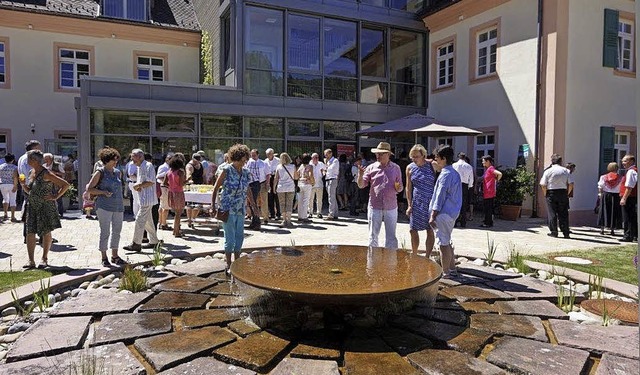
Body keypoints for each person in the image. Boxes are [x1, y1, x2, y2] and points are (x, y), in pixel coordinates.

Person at [21, 150, 70, 269]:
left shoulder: (46, 173)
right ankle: (31, 261)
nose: (27, 161)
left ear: (34, 160)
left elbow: (65, 185)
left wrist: (55, 196)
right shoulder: (31, 172)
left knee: (46, 231)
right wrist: (23, 185)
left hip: (45, 206)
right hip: (32, 206)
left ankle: (44, 258)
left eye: (29, 158)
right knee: (30, 232)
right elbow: (30, 191)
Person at [211, 144, 254, 274]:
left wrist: (253, 206)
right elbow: (216, 188)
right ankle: (229, 265)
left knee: (239, 236)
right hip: (227, 208)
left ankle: (237, 263)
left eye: (245, 158)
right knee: (230, 238)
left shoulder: (246, 172)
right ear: (238, 157)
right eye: (244, 158)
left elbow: (248, 190)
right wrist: (213, 205)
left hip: (240, 208)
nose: (245, 161)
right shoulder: (226, 170)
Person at [356, 142, 403, 249]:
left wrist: (398, 187)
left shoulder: (396, 168)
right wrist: (360, 175)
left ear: (388, 154)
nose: (378, 156)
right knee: (373, 236)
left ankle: (390, 262)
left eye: (381, 154)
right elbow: (361, 185)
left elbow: (400, 187)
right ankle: (372, 263)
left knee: (391, 237)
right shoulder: (371, 167)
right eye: (377, 153)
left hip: (391, 205)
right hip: (375, 205)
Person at [86, 147, 127, 267]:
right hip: (104, 206)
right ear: (106, 160)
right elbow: (89, 188)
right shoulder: (100, 172)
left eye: (116, 159)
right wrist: (103, 192)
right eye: (113, 160)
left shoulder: (117, 172)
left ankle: (115, 255)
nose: (115, 162)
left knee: (117, 231)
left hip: (118, 206)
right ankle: (104, 257)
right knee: (105, 231)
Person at [429, 145, 462, 277]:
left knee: (443, 242)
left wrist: (433, 214)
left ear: (443, 159)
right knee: (447, 240)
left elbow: (440, 196)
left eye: (436, 158)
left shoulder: (445, 175)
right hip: (452, 212)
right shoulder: (453, 173)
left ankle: (445, 271)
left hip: (443, 213)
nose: (435, 160)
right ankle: (452, 268)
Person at [123, 149, 159, 252]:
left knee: (139, 220)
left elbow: (151, 181)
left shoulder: (148, 166)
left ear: (139, 157)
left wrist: (138, 185)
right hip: (143, 198)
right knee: (148, 221)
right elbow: (142, 182)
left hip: (147, 199)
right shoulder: (139, 167)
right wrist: (139, 186)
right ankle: (154, 241)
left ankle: (136, 243)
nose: (131, 160)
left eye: (133, 157)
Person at [405, 145, 436, 255]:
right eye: (412, 157)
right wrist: (409, 204)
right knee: (413, 229)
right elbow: (408, 188)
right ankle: (414, 253)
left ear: (423, 155)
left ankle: (427, 256)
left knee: (430, 229)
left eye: (416, 156)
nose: (414, 159)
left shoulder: (431, 165)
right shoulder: (410, 167)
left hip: (430, 200)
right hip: (417, 201)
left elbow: (443, 169)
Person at [539, 153, 571, 238]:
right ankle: (566, 232)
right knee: (563, 213)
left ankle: (554, 231)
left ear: (552, 161)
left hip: (551, 192)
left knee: (552, 213)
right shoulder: (566, 171)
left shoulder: (548, 171)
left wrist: (545, 193)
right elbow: (571, 184)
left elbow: (543, 184)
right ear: (560, 161)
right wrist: (567, 193)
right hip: (563, 192)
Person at [246, 149, 270, 229]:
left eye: (254, 155)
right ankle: (254, 221)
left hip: (259, 183)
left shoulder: (263, 163)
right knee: (252, 202)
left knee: (259, 202)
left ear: (258, 154)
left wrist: (267, 183)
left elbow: (267, 174)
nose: (253, 156)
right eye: (251, 155)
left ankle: (260, 220)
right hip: (251, 183)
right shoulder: (248, 162)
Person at [273, 152, 298, 228]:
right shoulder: (293, 166)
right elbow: (296, 177)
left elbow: (276, 178)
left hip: (281, 188)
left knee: (282, 204)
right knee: (289, 204)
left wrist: (274, 187)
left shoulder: (278, 167)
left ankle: (284, 220)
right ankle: (289, 220)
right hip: (290, 187)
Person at [597, 162, 622, 236]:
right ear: (617, 168)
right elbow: (621, 188)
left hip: (606, 195)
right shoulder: (621, 177)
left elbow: (600, 187)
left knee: (604, 211)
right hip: (616, 196)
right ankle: (612, 229)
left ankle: (602, 229)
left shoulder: (603, 177)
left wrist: (600, 195)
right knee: (614, 212)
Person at [165, 154, 187, 238]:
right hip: (179, 193)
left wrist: (171, 186)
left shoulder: (169, 172)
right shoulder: (180, 172)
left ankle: (175, 230)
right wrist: (187, 180)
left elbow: (164, 183)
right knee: (178, 213)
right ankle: (177, 232)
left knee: (175, 213)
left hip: (171, 193)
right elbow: (181, 184)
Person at [452, 152, 474, 228]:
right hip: (465, 185)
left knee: (455, 203)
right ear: (465, 157)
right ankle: (463, 222)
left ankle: (454, 222)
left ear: (458, 157)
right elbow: (471, 178)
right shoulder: (469, 166)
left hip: (455, 185)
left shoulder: (454, 165)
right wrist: (470, 186)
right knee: (463, 204)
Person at [619, 154, 637, 242]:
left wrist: (624, 198)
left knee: (627, 217)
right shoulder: (632, 171)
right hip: (631, 197)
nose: (623, 163)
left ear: (631, 161)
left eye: (625, 161)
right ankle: (634, 235)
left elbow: (629, 187)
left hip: (629, 197)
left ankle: (628, 235)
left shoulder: (631, 171)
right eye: (622, 161)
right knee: (632, 216)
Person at [480, 155, 502, 228]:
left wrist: (497, 180)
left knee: (488, 208)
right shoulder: (487, 169)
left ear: (488, 161)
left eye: (483, 161)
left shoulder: (490, 168)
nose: (482, 162)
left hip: (489, 192)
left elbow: (500, 173)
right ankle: (488, 222)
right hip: (488, 192)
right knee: (488, 208)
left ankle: (488, 223)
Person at [43, 153, 66, 218]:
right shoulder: (44, 166)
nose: (46, 160)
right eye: (45, 159)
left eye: (47, 159)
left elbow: (63, 174)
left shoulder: (58, 165)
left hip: (56, 184)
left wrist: (55, 172)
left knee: (58, 198)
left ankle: (60, 213)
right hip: (47, 184)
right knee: (47, 198)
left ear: (51, 159)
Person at [185, 153, 204, 228]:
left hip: (200, 187)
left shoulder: (201, 165)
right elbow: (188, 175)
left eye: (199, 160)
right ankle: (189, 219)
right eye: (196, 160)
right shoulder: (189, 166)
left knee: (198, 205)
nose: (198, 162)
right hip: (192, 187)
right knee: (190, 205)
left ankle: (193, 219)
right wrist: (189, 180)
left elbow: (203, 175)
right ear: (193, 159)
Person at [157, 153, 173, 231]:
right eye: (169, 158)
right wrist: (167, 176)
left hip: (166, 187)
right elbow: (158, 176)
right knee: (165, 207)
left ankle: (161, 222)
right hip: (164, 187)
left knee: (162, 206)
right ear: (166, 159)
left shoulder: (170, 167)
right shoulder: (163, 167)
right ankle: (163, 224)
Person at [296, 153, 314, 224]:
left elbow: (297, 174)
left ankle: (300, 216)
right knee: (306, 200)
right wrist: (312, 182)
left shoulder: (301, 166)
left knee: (300, 200)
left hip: (300, 183)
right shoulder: (310, 166)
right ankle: (304, 217)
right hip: (307, 183)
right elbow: (311, 175)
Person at [0, 154, 18, 222]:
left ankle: (5, 214)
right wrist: (15, 186)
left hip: (2, 184)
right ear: (13, 160)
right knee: (13, 200)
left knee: (5, 199)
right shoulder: (14, 167)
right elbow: (15, 177)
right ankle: (12, 216)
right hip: (11, 184)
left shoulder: (1, 166)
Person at [264, 148, 281, 220]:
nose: (268, 155)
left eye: (269, 154)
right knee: (269, 197)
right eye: (267, 154)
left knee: (277, 197)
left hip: (276, 178)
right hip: (269, 179)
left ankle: (278, 214)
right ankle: (272, 214)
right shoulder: (265, 161)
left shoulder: (278, 160)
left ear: (272, 153)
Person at [308, 153, 326, 218]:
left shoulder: (321, 164)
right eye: (315, 157)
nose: (316, 159)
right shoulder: (309, 164)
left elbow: (325, 170)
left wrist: (323, 173)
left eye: (317, 157)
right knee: (310, 199)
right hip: (311, 185)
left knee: (319, 199)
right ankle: (310, 212)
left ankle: (319, 212)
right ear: (312, 158)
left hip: (319, 184)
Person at [324, 149, 339, 220]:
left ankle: (331, 214)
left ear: (331, 153)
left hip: (332, 179)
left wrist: (326, 167)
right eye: (325, 154)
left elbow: (332, 169)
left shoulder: (335, 161)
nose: (325, 156)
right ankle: (335, 213)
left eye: (327, 154)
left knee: (331, 198)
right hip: (327, 179)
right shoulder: (327, 162)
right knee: (332, 197)